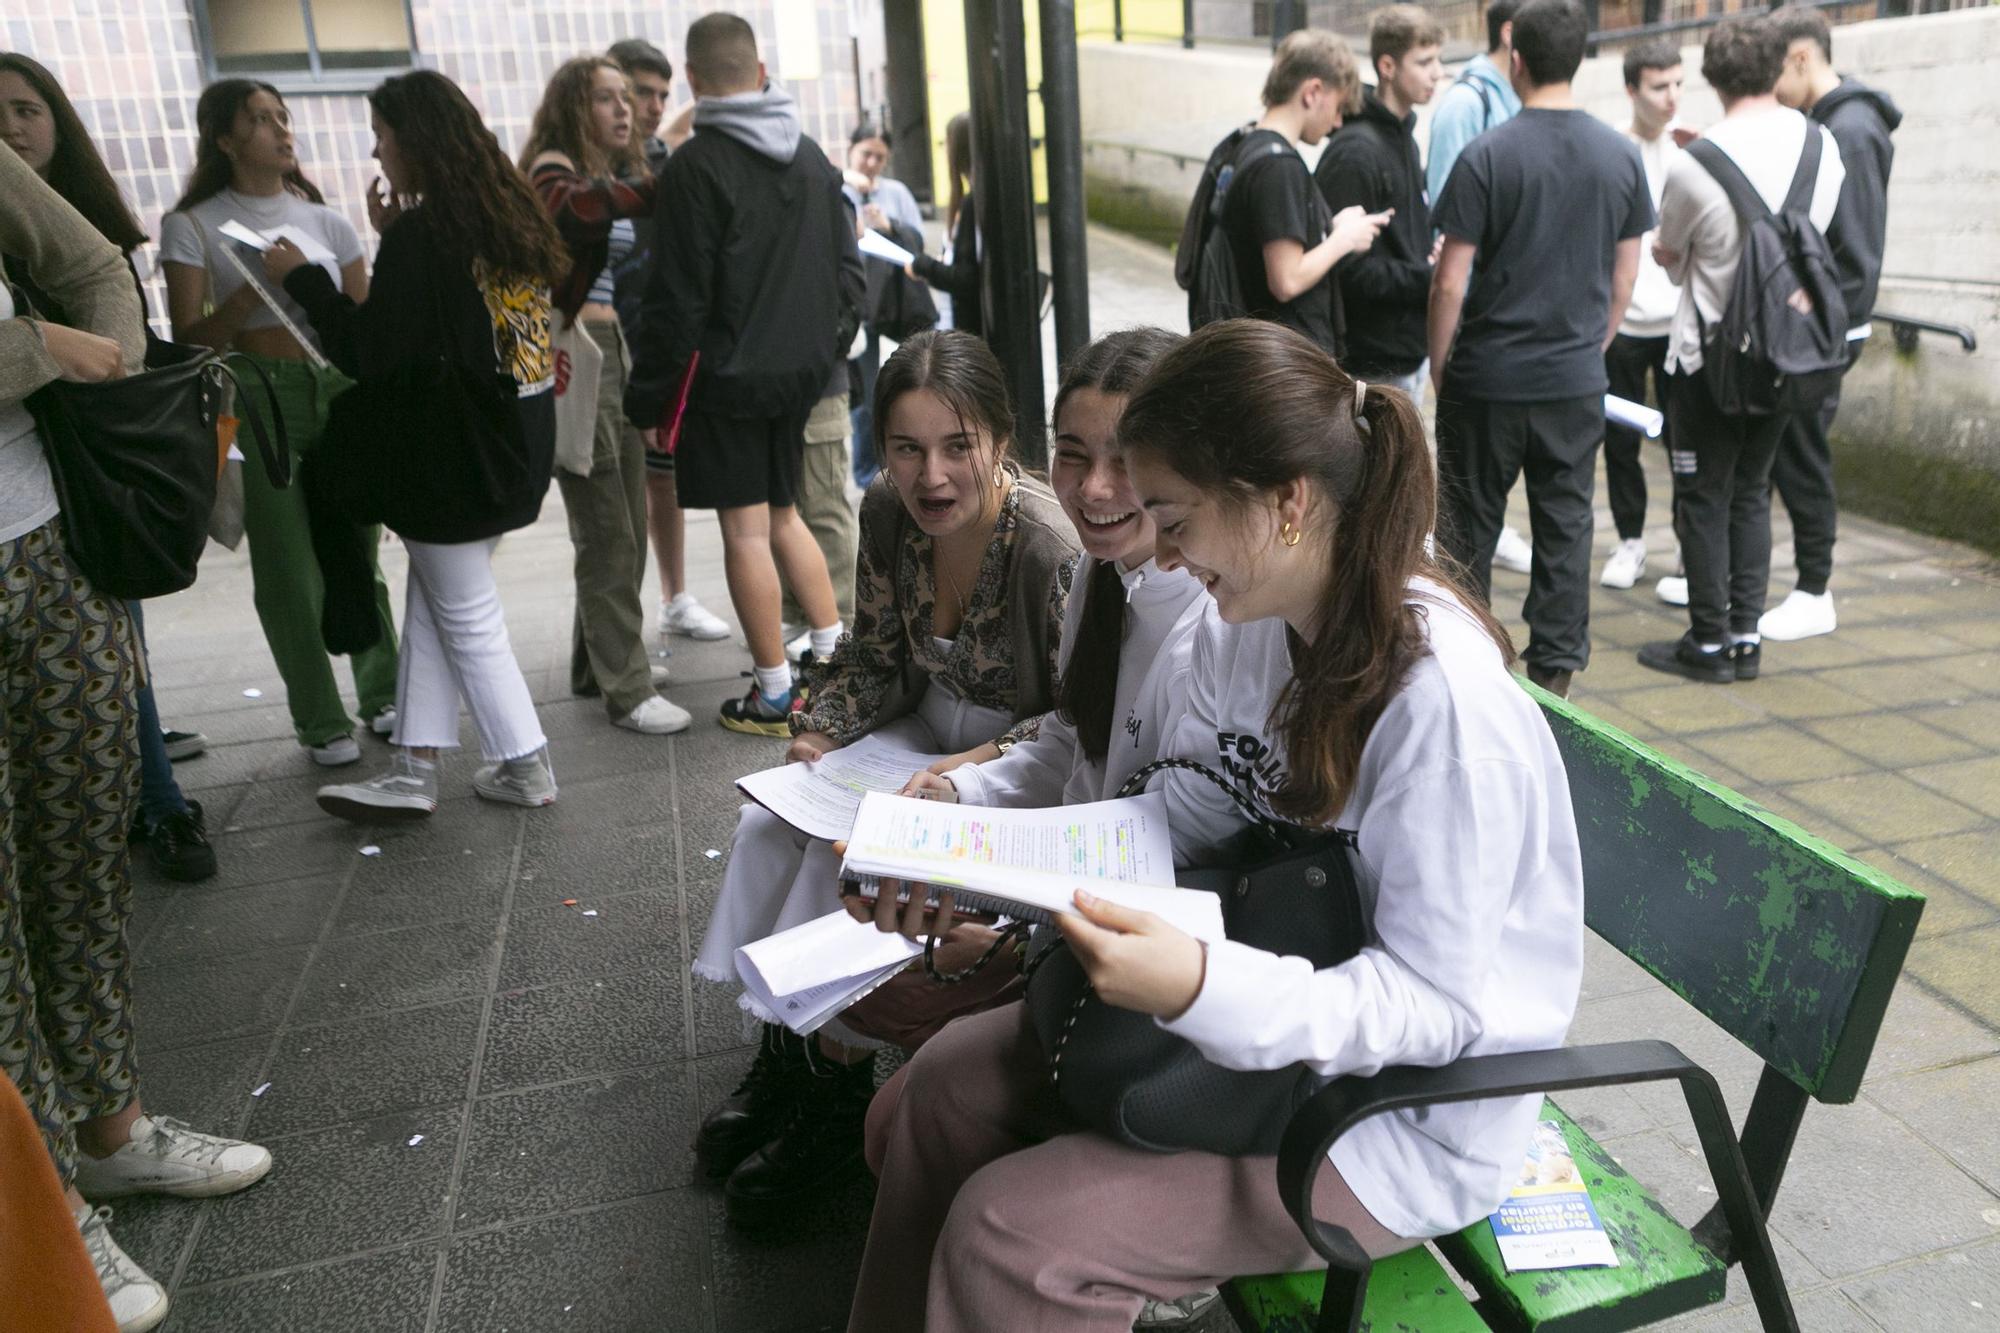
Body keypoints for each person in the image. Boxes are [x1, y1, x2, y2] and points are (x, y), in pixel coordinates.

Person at [845, 318, 1585, 1332]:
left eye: (1174, 517)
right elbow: (1195, 801)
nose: (1165, 549)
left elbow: (1433, 1008)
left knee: (1011, 1235)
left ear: (1284, 503)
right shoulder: (1256, 622)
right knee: (936, 1096)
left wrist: (1198, 984)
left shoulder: (1442, 710)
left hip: (1386, 1115)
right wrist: (975, 866)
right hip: (1266, 1007)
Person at [690, 330, 1077, 1228]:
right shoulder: (884, 511)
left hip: (1009, 760)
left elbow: (1074, 719)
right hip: (919, 724)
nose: (930, 475)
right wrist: (821, 731)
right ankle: (783, 1048)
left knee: (850, 858)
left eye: (956, 446)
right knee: (770, 823)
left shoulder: (1050, 549)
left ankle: (838, 1083)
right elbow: (872, 653)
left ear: (1001, 439)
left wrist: (968, 768)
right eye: (907, 448)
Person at [3, 142, 273, 1333]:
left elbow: (89, 261)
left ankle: (111, 1126)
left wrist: (90, 370)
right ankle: (46, 1204)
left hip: (49, 541)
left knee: (76, 859)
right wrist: (32, 351)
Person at [267, 70, 571, 816]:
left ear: (416, 141)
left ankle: (525, 762)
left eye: (382, 138)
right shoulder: (507, 216)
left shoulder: (425, 235)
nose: (378, 153)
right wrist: (392, 237)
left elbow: (368, 350)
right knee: (436, 603)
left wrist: (302, 280)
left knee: (464, 614)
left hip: (450, 463)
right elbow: (450, 320)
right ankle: (413, 767)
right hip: (512, 446)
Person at [0, 53, 215, 881]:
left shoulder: (89, 228)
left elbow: (123, 333)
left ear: (60, 123)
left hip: (93, 471)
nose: (12, 129)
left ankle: (159, 805)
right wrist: (39, 345)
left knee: (121, 644)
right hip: (36, 489)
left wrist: (103, 361)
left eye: (28, 110)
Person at [624, 13, 858, 736]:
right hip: (799, 380)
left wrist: (650, 394)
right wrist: (820, 352)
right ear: (760, 73)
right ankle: (834, 659)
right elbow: (848, 279)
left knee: (746, 532)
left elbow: (678, 298)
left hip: (724, 382)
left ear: (694, 82)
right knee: (787, 518)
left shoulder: (695, 168)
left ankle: (776, 691)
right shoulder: (813, 159)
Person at [159, 79, 401, 768]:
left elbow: (360, 320)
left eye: (283, 116)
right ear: (226, 139)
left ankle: (383, 691)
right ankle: (320, 718)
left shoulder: (326, 221)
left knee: (360, 547)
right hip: (252, 392)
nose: (279, 129)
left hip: (336, 385)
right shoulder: (194, 224)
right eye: (259, 120)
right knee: (288, 563)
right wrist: (247, 293)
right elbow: (189, 337)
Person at [1428, 0, 1652, 699]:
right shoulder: (1621, 154)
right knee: (1567, 523)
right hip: (1573, 378)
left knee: (1466, 528)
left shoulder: (1488, 153)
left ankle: (1469, 667)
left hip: (1487, 377)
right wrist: (1596, 343)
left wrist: (1442, 368)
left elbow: (1450, 279)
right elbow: (1627, 272)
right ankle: (1554, 678)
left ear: (1514, 58)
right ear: (1581, 60)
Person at [1637, 17, 1843, 685]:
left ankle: (1706, 641)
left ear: (1714, 77)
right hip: (1788, 356)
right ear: (1779, 67)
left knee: (1703, 495)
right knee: (1754, 490)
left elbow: (1669, 258)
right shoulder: (1824, 146)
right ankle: (1747, 638)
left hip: (1711, 361)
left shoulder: (1696, 162)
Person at [525, 56, 692, 738]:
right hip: (577, 359)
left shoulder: (599, 173)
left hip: (605, 353)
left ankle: (596, 664)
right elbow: (571, 210)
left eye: (629, 98)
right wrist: (659, 187)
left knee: (619, 522)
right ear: (572, 105)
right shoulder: (552, 167)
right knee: (607, 532)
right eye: (606, 98)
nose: (625, 110)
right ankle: (625, 686)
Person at [1762, 5, 1900, 642]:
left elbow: (1859, 250)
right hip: (1817, 326)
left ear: (1800, 58)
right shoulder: (1830, 122)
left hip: (1825, 332)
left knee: (1803, 454)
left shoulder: (1853, 129)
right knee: (1783, 450)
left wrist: (1824, 320)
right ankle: (1761, 580)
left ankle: (1815, 589)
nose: (1770, 89)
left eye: (1775, 72)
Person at [607, 37, 734, 647]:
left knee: (661, 475)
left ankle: (673, 597)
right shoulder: (588, 170)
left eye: (663, 93)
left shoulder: (664, 159)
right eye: (639, 91)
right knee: (615, 499)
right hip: (609, 342)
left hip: (659, 343)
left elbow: (684, 127)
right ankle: (612, 633)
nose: (653, 105)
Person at [1424, 0, 1534, 579]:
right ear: (1514, 36)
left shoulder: (1524, 102)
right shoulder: (1467, 105)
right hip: (1476, 322)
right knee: (1467, 496)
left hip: (1513, 322)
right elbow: (1449, 236)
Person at [1210, 30, 1386, 358]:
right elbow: (1286, 279)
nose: (1336, 122)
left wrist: (1329, 228)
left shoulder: (1246, 144)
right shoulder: (1278, 167)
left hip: (1261, 355)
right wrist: (1343, 240)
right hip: (1283, 363)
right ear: (1313, 92)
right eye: (1338, 106)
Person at [1313, 6, 1444, 400]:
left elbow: (1404, 237)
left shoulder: (1404, 136)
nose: (1437, 72)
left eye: (1438, 59)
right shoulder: (1355, 152)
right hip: (1370, 363)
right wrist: (1427, 277)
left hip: (1407, 352)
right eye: (1424, 62)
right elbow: (1349, 272)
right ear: (1387, 66)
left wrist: (1430, 257)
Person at [1600, 40, 1685, 593]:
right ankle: (1630, 542)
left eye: (1679, 83)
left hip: (1680, 324)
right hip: (1626, 325)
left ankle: (1688, 549)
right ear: (1632, 90)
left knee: (1687, 444)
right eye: (1659, 86)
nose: (1671, 97)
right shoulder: (1611, 152)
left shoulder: (1691, 149)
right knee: (1622, 443)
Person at [844, 119, 927, 490]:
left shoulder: (896, 193)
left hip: (894, 302)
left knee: (914, 379)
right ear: (851, 151)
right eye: (866, 154)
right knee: (863, 392)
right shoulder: (838, 188)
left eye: (880, 157)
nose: (872, 163)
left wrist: (889, 225)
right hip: (856, 304)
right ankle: (867, 473)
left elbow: (918, 242)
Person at [908, 113, 981, 338]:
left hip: (970, 328)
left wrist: (924, 266)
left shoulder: (972, 202)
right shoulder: (971, 199)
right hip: (959, 323)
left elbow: (967, 278)